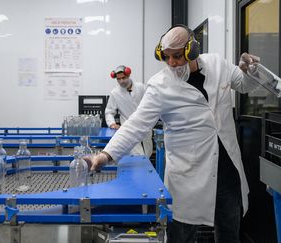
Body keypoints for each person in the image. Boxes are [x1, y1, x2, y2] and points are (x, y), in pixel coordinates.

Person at [86, 25, 261, 243]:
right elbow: (136, 124)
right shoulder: (160, 85)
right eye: (166, 57)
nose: (172, 63)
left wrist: (251, 71)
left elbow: (245, 85)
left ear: (193, 50)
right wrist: (105, 155)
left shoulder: (219, 64)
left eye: (177, 56)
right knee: (181, 235)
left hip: (227, 172)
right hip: (188, 175)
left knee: (228, 231)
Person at [105, 65, 153, 157]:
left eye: (123, 78)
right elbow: (109, 111)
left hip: (145, 126)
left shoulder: (141, 87)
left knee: (147, 153)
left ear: (128, 75)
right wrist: (112, 123)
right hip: (129, 129)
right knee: (136, 155)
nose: (121, 81)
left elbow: (150, 103)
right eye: (118, 79)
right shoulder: (115, 93)